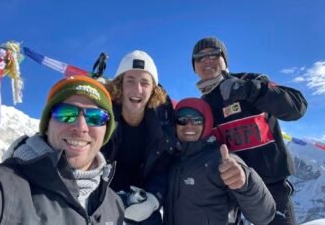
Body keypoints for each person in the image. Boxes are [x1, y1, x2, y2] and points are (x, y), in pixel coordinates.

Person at [0, 75, 124, 225]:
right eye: (66, 113)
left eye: (96, 117)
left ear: (106, 131)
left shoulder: (113, 205)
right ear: (47, 124)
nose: (81, 127)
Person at [191, 37, 308, 225]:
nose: (206, 60)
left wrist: (249, 90)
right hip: (231, 196)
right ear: (194, 67)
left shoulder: (250, 81)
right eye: (199, 57)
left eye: (213, 54)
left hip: (272, 191)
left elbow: (297, 106)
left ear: (225, 60)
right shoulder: (202, 106)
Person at [164, 97, 276, 225]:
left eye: (197, 120)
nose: (189, 125)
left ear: (206, 124)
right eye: (182, 120)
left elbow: (264, 216)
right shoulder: (171, 160)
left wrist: (246, 184)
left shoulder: (222, 159)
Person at [102, 50, 176, 225]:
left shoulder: (162, 126)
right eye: (130, 81)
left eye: (145, 83)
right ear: (120, 85)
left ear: (153, 91)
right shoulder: (100, 118)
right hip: (102, 198)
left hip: (142, 201)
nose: (137, 90)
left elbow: (163, 166)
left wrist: (153, 199)